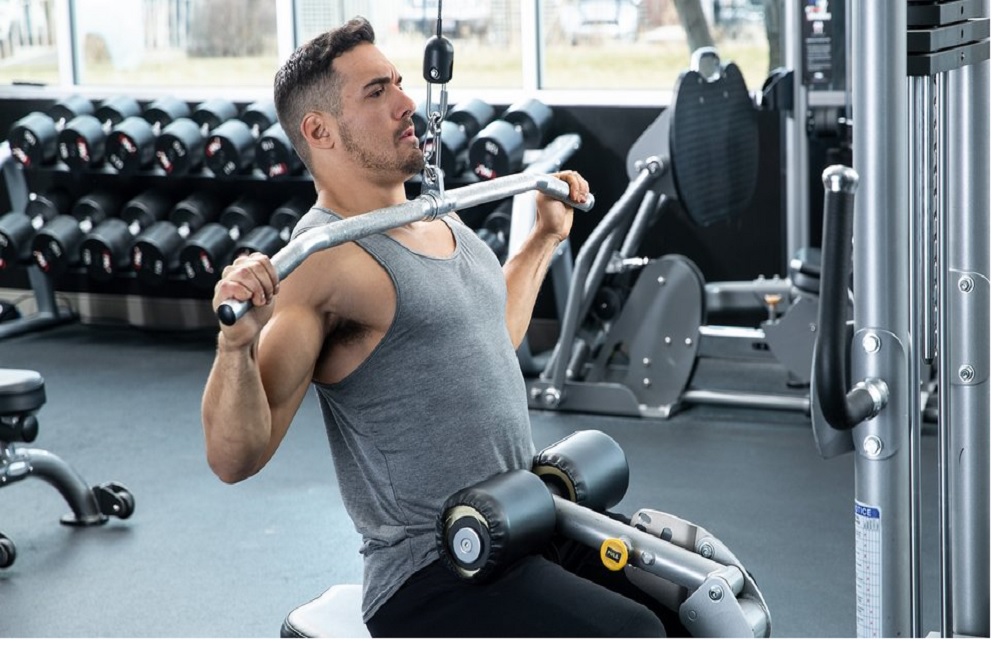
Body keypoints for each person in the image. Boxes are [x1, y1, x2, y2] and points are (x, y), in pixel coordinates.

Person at [201, 16, 674, 638]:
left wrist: (542, 239)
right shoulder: (321, 262)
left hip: (521, 522)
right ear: (319, 131)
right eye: (377, 92)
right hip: (435, 570)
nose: (406, 103)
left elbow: (489, 337)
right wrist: (235, 344)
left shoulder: (438, 218)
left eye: (399, 82)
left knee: (689, 602)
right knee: (635, 635)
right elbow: (234, 457)